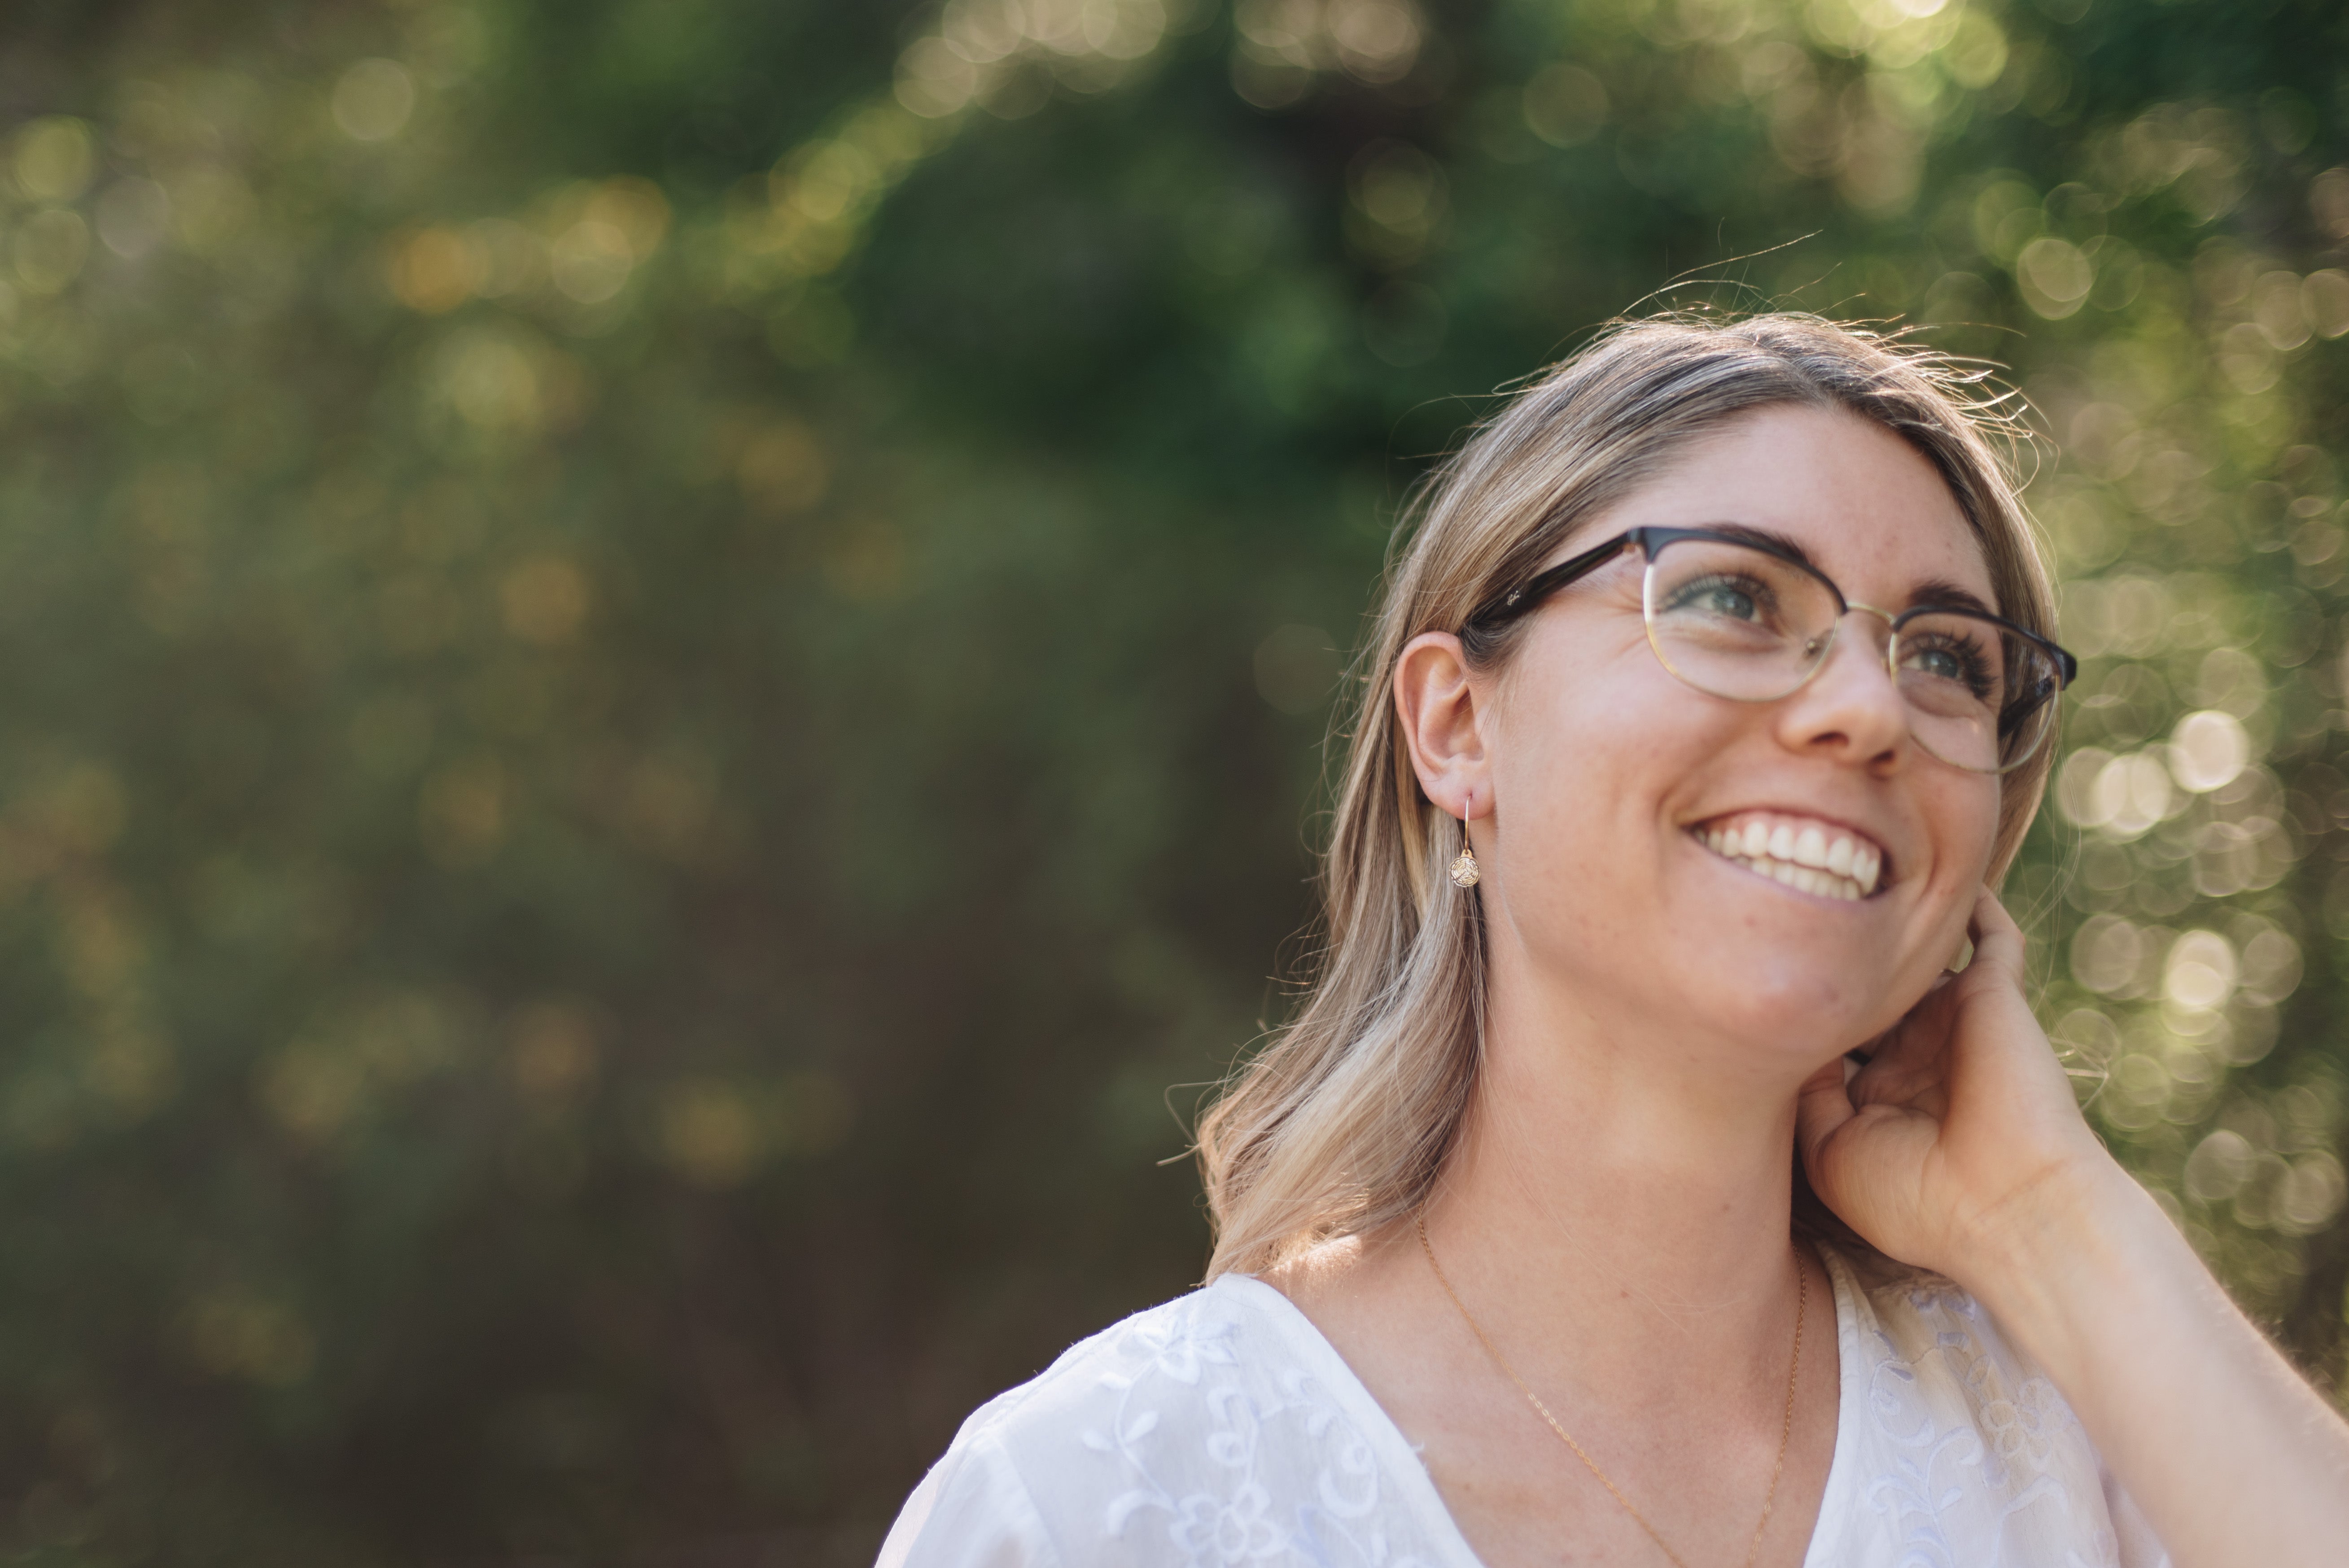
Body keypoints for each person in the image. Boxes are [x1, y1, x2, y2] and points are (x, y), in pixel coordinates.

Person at [877, 314, 2349, 1567]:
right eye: (1727, 596)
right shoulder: (1099, 1506)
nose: (1869, 708)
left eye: (1948, 658)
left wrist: (2051, 1218)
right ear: (1457, 727)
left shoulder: (2102, 1457)